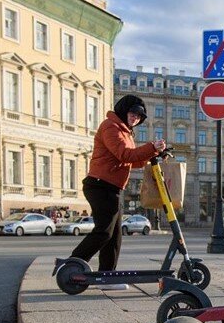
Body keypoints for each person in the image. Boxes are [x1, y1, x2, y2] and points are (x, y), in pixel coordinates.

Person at [65, 95, 164, 290]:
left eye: (139, 116)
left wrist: (154, 153)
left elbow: (132, 161)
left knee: (115, 235)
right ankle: (71, 267)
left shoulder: (126, 132)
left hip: (112, 187)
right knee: (104, 232)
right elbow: (124, 154)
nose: (135, 118)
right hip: (100, 185)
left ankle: (107, 276)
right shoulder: (110, 126)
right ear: (123, 110)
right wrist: (151, 148)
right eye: (133, 113)